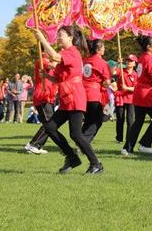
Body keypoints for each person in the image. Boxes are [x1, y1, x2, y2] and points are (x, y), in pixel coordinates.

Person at [33, 26, 103, 174]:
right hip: (66, 98)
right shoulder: (65, 53)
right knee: (50, 127)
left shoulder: (72, 52)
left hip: (75, 97)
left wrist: (42, 40)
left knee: (76, 134)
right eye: (58, 35)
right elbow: (58, 78)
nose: (58, 38)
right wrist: (46, 77)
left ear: (70, 38)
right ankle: (72, 157)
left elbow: (55, 57)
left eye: (61, 35)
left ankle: (96, 164)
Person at [122, 36, 152, 155]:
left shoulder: (143, 57)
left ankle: (128, 147)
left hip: (140, 92)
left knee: (139, 121)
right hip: (147, 94)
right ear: (149, 47)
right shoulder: (150, 59)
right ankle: (145, 144)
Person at [25, 54, 58, 155]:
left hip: (49, 95)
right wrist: (58, 58)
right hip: (42, 95)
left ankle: (35, 144)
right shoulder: (42, 60)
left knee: (49, 123)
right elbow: (51, 66)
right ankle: (34, 144)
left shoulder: (48, 60)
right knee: (50, 122)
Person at [81, 40, 111, 143]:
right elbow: (107, 82)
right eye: (103, 47)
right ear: (98, 50)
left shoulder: (85, 61)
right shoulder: (102, 63)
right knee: (97, 120)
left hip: (82, 93)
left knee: (88, 120)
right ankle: (83, 143)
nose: (104, 49)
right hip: (94, 94)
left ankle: (81, 141)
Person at [115, 55, 137, 143]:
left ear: (134, 63)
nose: (128, 62)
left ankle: (129, 138)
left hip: (131, 99)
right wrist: (117, 63)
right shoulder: (121, 71)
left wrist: (127, 88)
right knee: (120, 118)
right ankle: (119, 138)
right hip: (120, 98)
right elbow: (112, 72)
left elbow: (136, 88)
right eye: (127, 60)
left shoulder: (136, 75)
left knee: (130, 119)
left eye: (131, 61)